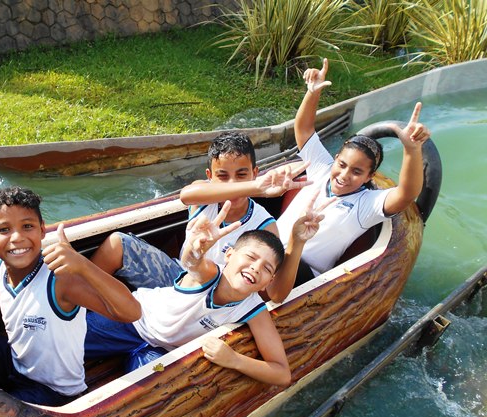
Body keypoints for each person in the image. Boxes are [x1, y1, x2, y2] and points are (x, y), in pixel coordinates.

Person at [81, 199, 326, 384]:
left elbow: (282, 373)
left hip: (160, 352)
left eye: (266, 269)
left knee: (146, 396)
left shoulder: (253, 309)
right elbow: (192, 263)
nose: (255, 268)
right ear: (229, 255)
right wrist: (197, 248)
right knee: (67, 346)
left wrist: (235, 360)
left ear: (268, 282)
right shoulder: (210, 273)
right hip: (134, 321)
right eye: (250, 257)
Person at [90, 131, 311, 303]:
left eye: (241, 175)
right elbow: (186, 195)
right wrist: (255, 187)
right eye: (222, 176)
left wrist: (297, 241)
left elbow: (275, 295)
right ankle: (80, 305)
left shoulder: (264, 225)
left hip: (217, 299)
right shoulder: (203, 196)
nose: (232, 183)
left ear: (255, 173)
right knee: (118, 244)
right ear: (209, 177)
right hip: (180, 277)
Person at [0, 186, 140, 406]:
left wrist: (83, 265)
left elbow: (132, 312)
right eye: (4, 229)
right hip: (16, 362)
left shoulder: (61, 280)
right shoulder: (2, 266)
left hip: (53, 391)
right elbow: (19, 299)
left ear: (42, 230)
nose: (17, 238)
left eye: (27, 226)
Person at [275, 58, 432, 284]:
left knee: (271, 258)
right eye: (342, 165)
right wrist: (312, 92)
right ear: (336, 159)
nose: (344, 175)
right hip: (266, 250)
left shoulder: (366, 204)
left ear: (369, 177)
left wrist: (411, 149)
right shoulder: (321, 169)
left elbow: (407, 193)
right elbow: (304, 130)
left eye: (357, 172)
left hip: (302, 274)